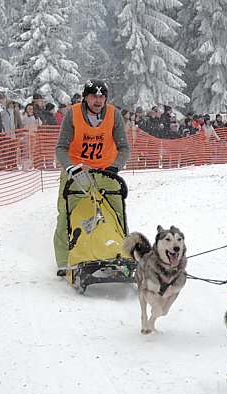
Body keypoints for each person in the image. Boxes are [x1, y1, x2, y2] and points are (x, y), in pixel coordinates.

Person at [53, 79, 131, 269]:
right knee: (66, 213)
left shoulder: (114, 115)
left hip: (106, 171)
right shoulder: (73, 114)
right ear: (85, 98)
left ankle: (124, 255)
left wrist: (116, 166)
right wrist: (70, 167)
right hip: (78, 171)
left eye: (101, 96)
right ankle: (64, 261)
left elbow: (124, 148)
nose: (98, 100)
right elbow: (61, 148)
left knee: (117, 212)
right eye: (94, 96)